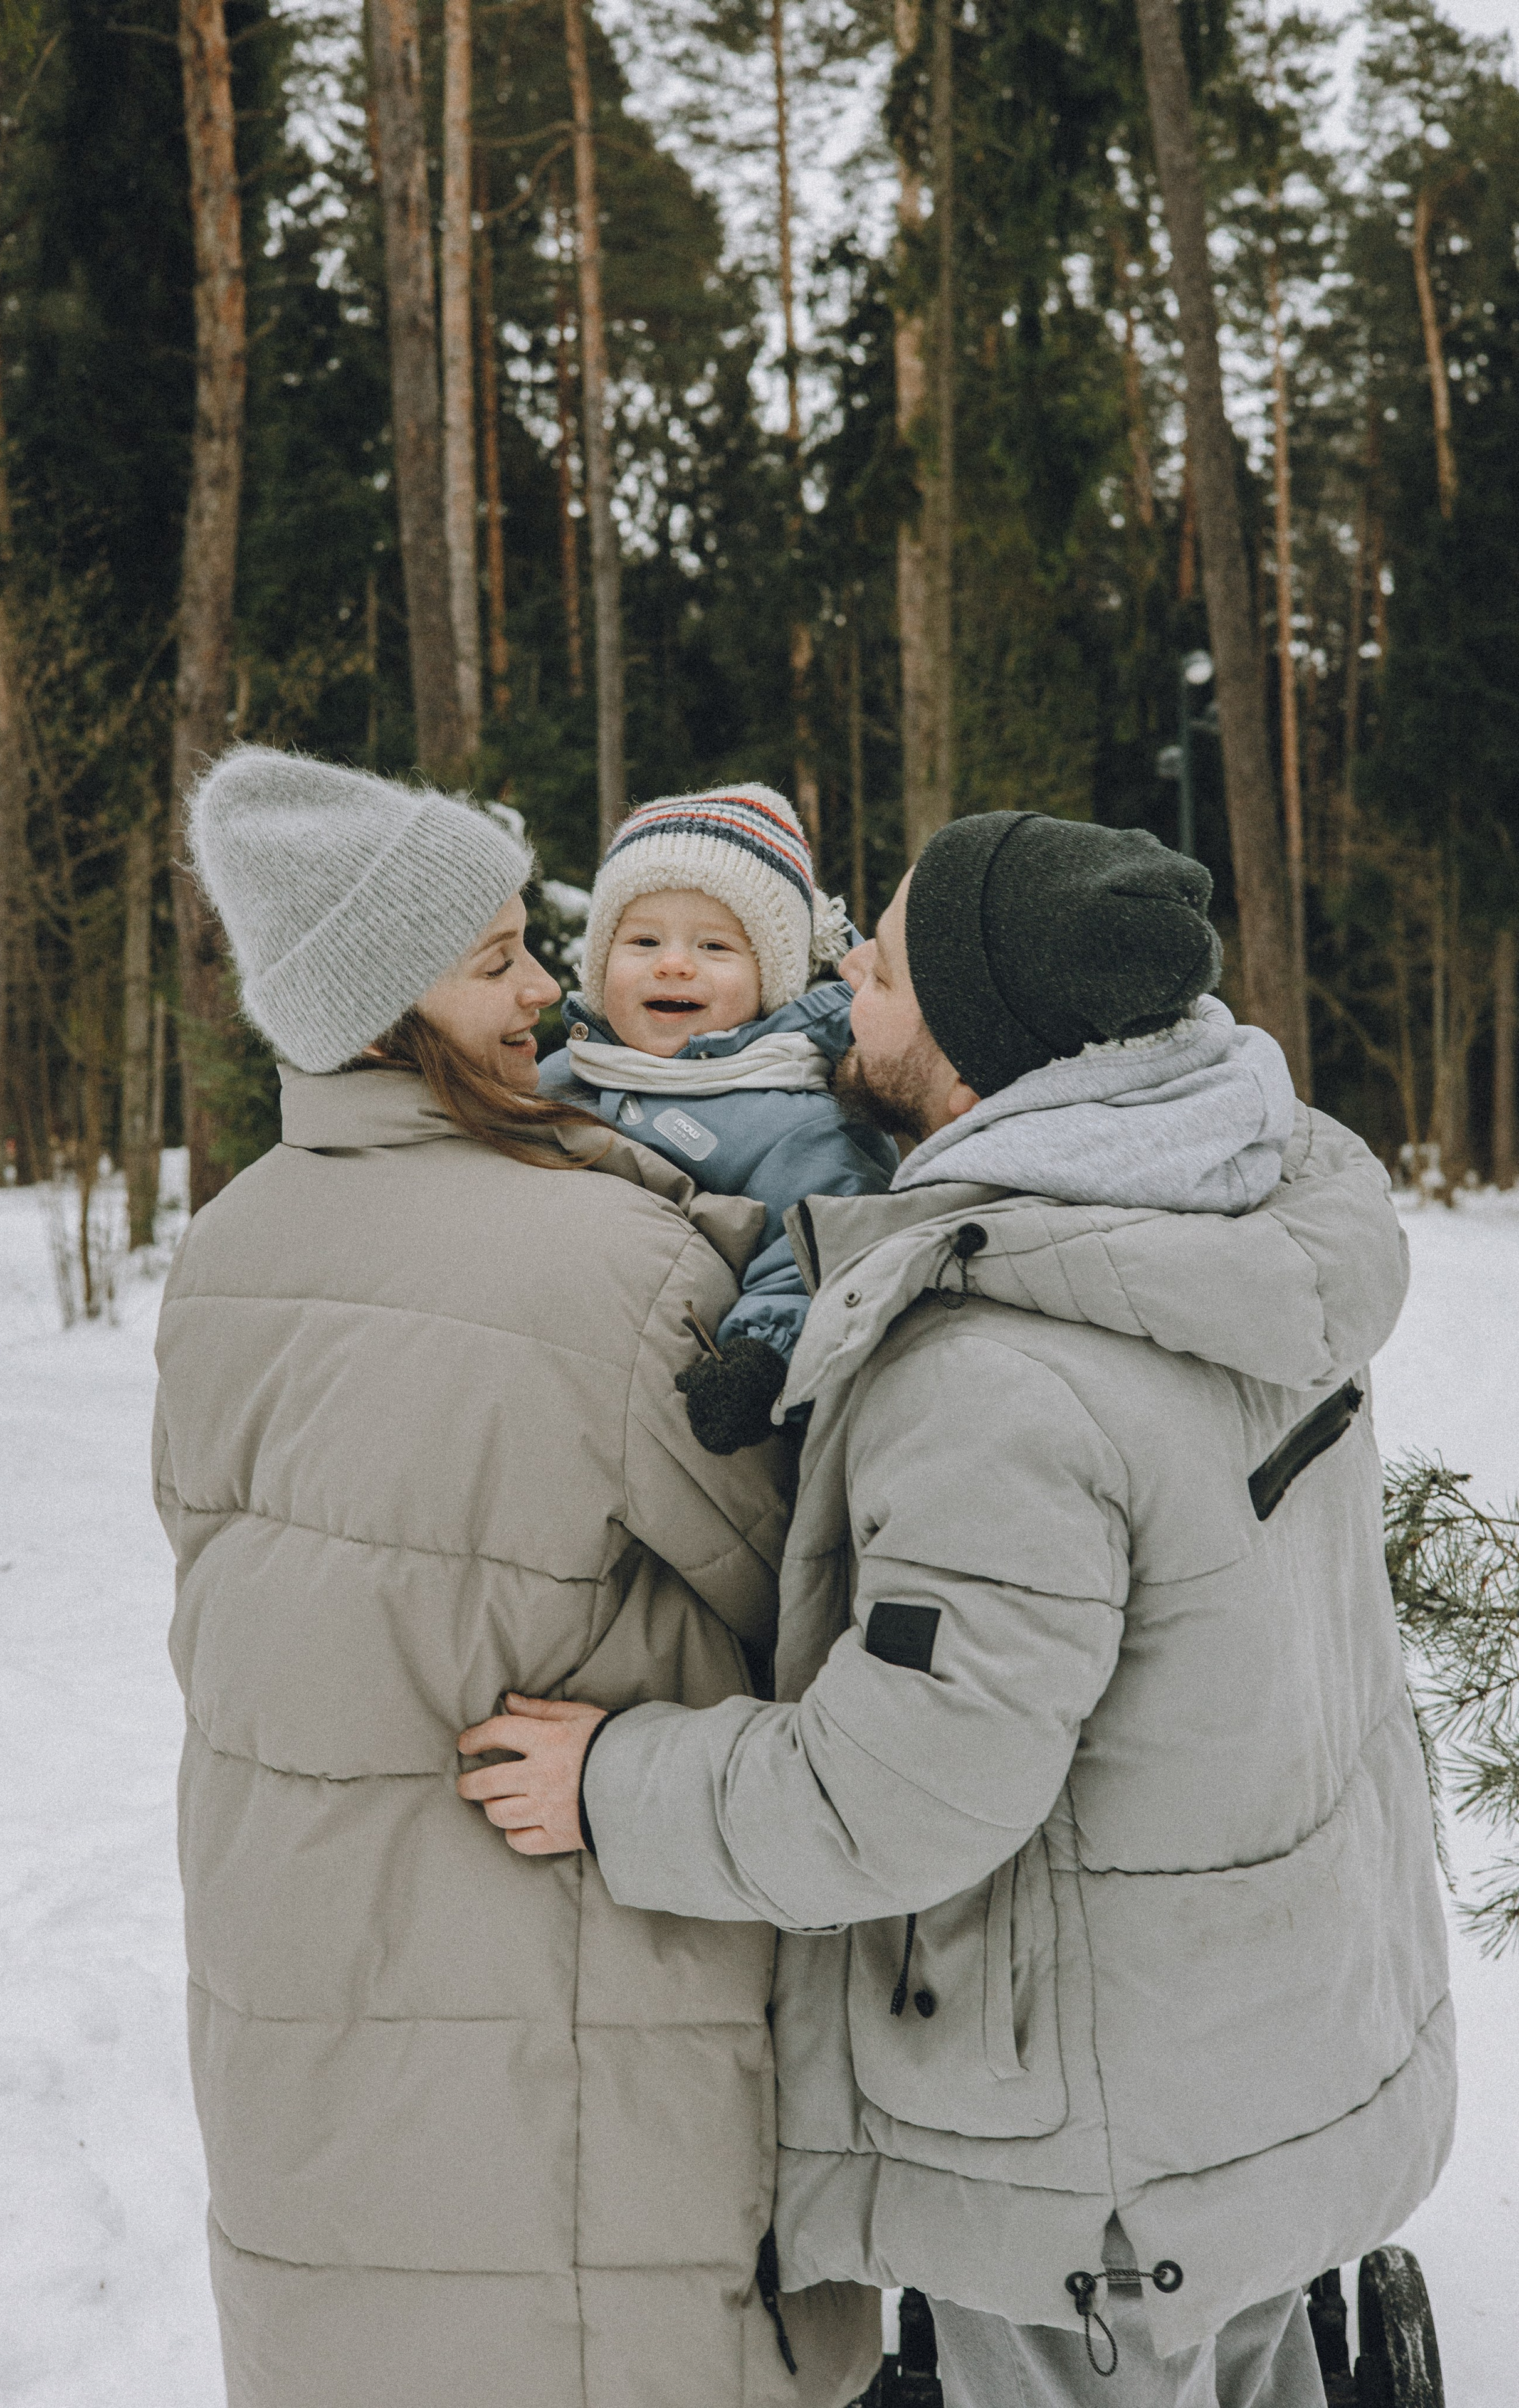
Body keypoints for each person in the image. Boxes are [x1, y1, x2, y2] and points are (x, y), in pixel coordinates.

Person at [459, 810, 1455, 2408]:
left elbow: (900, 1794)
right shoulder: (1234, 1222)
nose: (846, 962)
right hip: (1265, 2045)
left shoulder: (995, 1373)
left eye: (888, 954)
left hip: (1081, 2148)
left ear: (979, 1042)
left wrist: (608, 1781)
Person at [151, 746, 879, 2408]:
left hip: (301, 1970)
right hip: (557, 1992)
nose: (550, 991)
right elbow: (807, 1591)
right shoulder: (611, 1263)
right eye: (496, 963)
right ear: (384, 1008)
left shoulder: (231, 1245)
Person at [539, 786, 896, 1455]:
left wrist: (762, 1355)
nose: (673, 963)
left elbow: (817, 1256)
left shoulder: (795, 1119)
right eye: (643, 939)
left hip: (679, 1418)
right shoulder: (561, 1076)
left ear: (770, 980)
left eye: (714, 946)